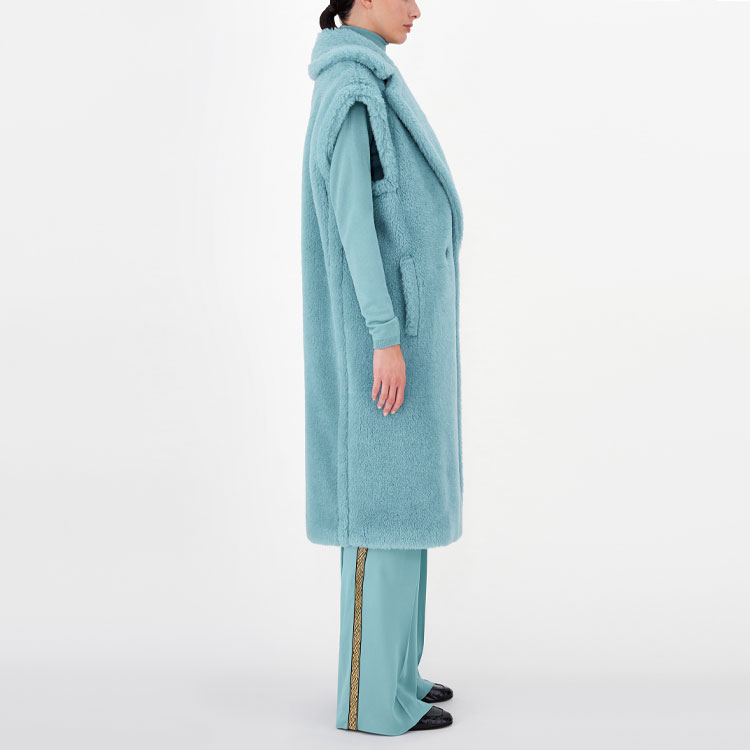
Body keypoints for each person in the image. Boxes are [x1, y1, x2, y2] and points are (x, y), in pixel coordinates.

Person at [301, 0, 465, 735]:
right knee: (379, 511)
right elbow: (351, 223)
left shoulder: (368, 80)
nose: (417, 8)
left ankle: (397, 672)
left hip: (402, 336)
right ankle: (370, 702)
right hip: (383, 341)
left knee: (406, 511)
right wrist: (384, 333)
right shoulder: (351, 90)